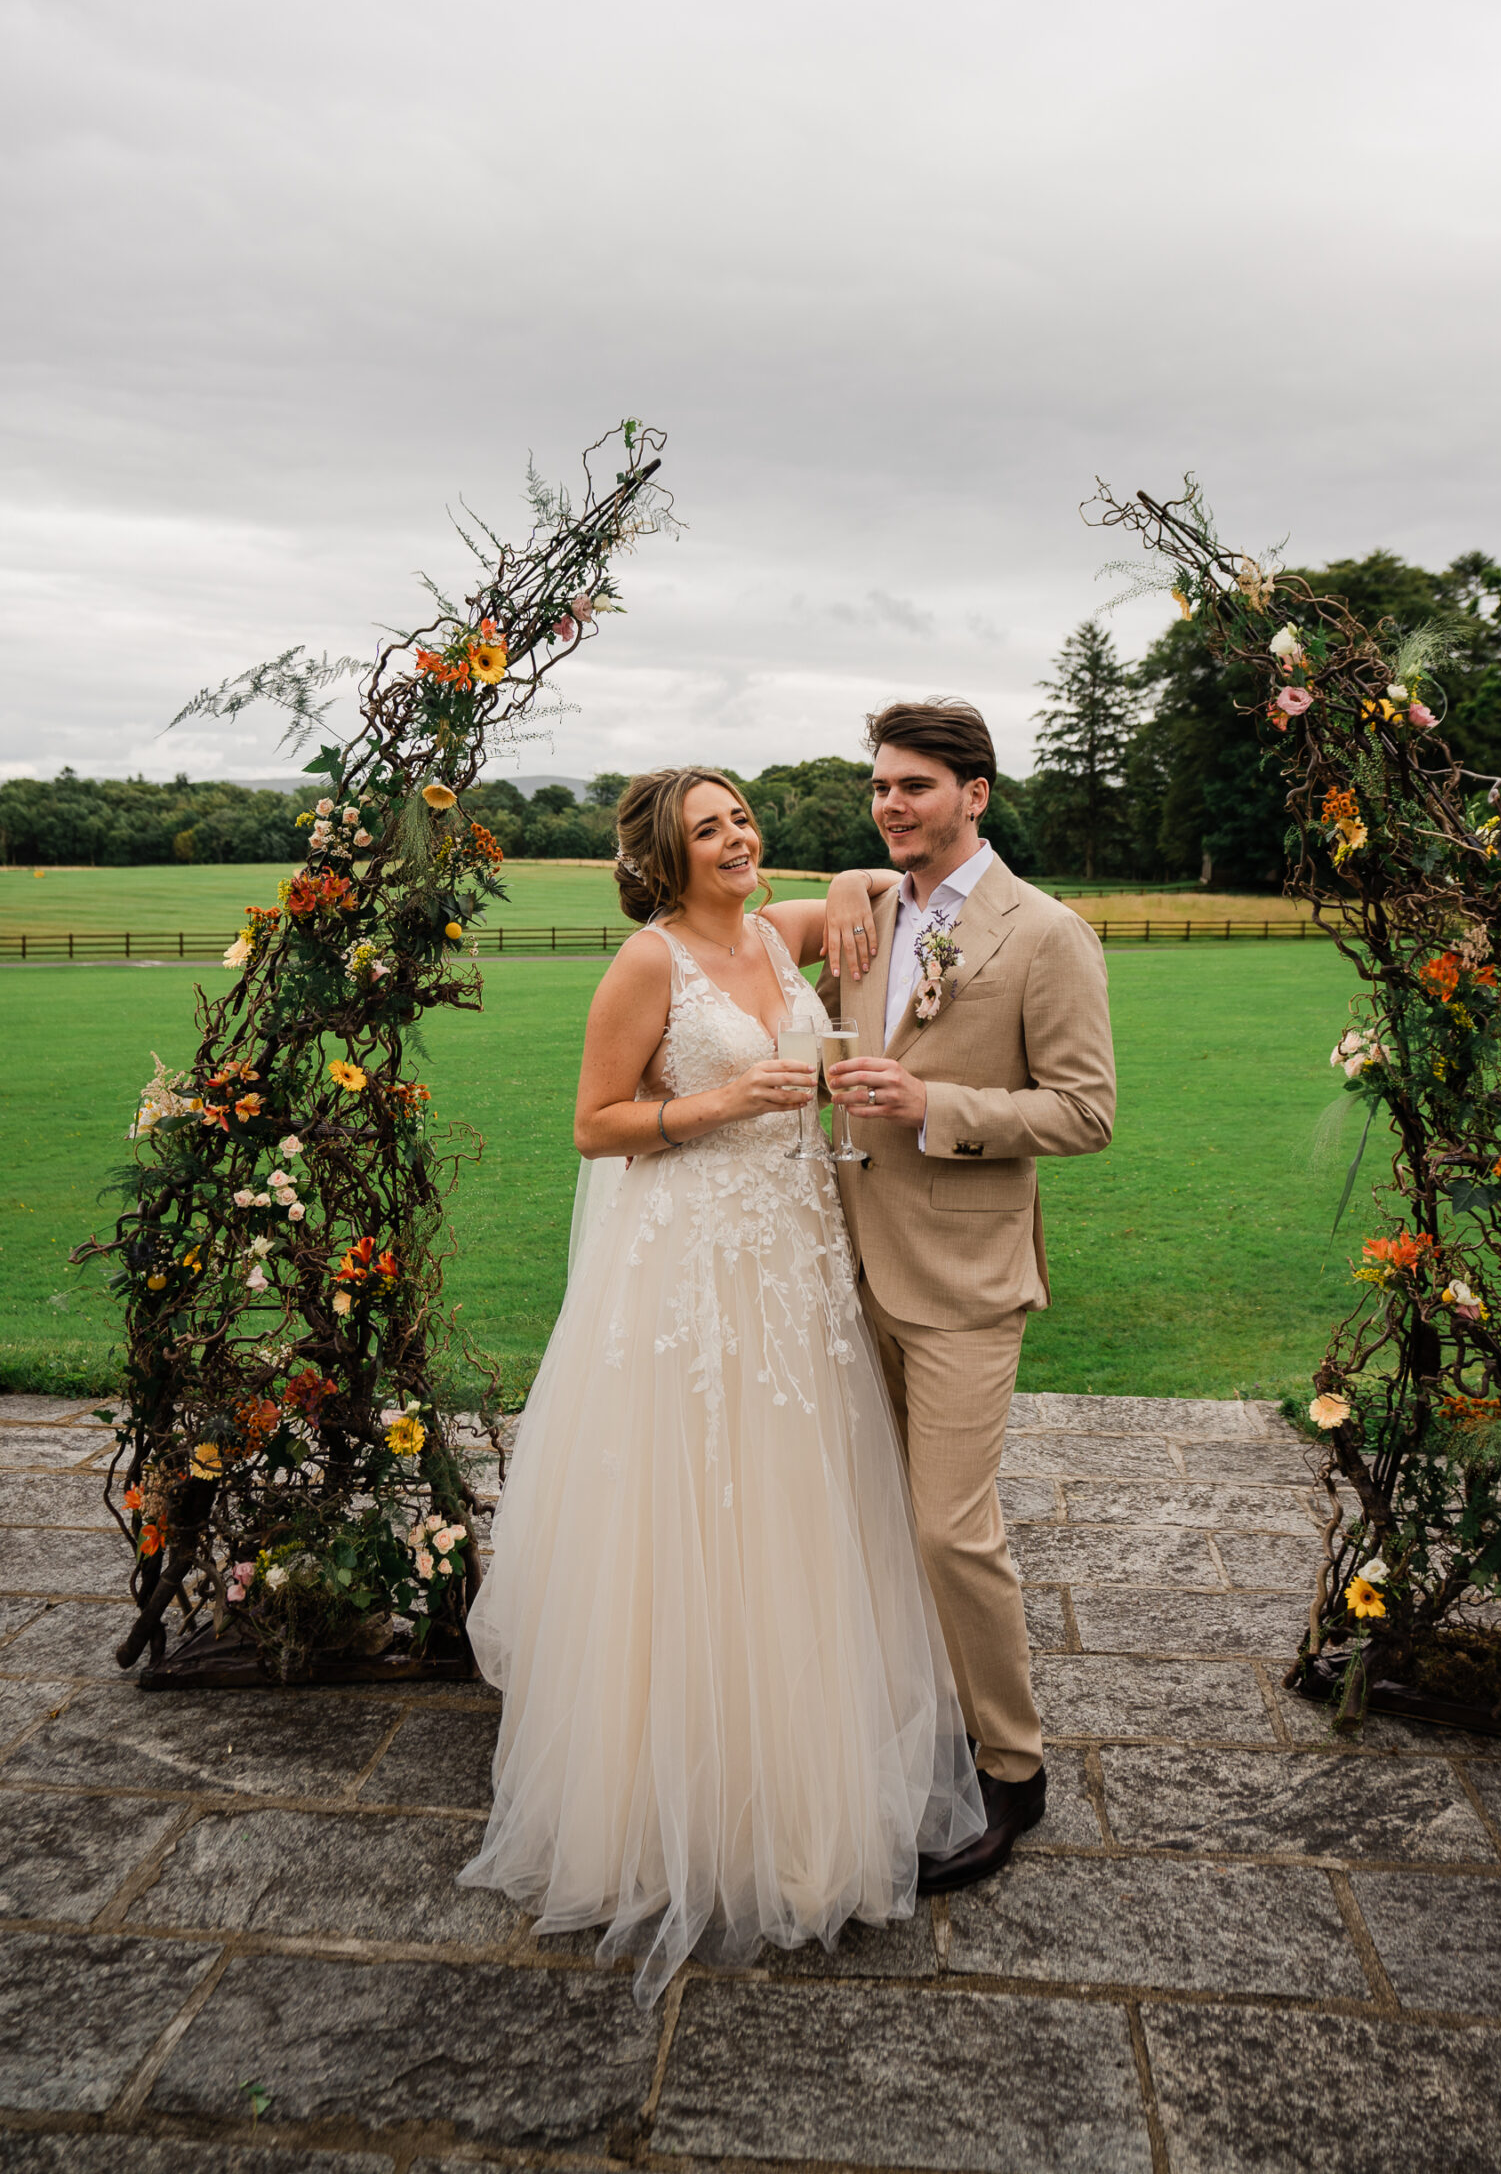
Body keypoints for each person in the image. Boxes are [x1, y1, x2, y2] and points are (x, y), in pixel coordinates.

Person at [460, 768, 983, 2005]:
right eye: (712, 827)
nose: (740, 836)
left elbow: (860, 890)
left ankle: (807, 1768)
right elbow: (593, 1122)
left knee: (802, 1497)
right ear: (666, 854)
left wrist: (855, 876)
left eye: (744, 815)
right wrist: (717, 1102)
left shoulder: (775, 929)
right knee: (695, 1496)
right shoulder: (648, 964)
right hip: (694, 1259)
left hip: (796, 1259)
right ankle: (673, 1792)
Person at [819, 699, 1117, 1891]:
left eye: (918, 787)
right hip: (842, 1264)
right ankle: (920, 1716)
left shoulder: (1048, 935)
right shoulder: (870, 908)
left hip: (965, 1276)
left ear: (976, 794)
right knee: (880, 1522)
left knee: (952, 1526)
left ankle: (1012, 1767)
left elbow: (1086, 1112)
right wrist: (850, 876)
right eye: (882, 786)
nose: (894, 804)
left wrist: (937, 1107)